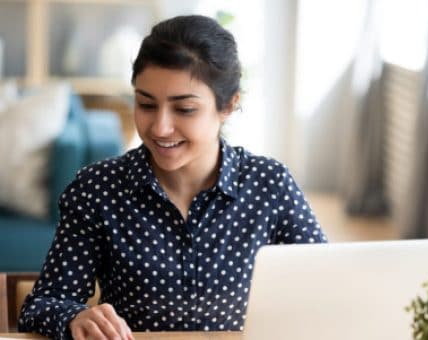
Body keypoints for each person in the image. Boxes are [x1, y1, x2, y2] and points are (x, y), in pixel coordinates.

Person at [18, 15, 327, 340]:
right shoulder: (97, 188)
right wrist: (75, 317)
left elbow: (328, 286)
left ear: (229, 106)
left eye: (184, 109)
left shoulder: (270, 184)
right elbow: (41, 305)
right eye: (146, 104)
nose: (160, 128)